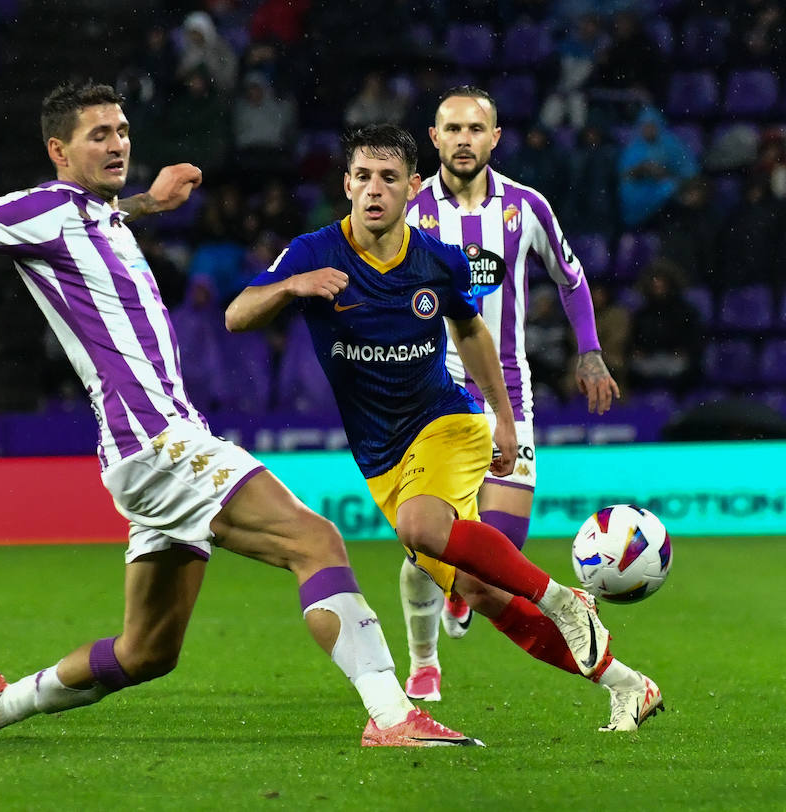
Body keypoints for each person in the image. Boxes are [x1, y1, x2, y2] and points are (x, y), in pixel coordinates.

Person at [0, 81, 476, 749]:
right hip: (160, 443)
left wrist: (151, 202)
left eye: (122, 131)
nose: (117, 144)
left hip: (151, 450)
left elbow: (96, 219)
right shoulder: (39, 210)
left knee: (147, 652)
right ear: (58, 150)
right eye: (98, 135)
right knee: (315, 539)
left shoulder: (99, 213)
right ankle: (391, 714)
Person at [226, 124, 644, 731]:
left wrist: (503, 420)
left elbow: (472, 332)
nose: (374, 190)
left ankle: (564, 599)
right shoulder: (314, 251)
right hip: (381, 458)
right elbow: (237, 315)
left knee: (423, 526)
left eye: (389, 178)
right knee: (483, 594)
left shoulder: (436, 259)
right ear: (346, 185)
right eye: (363, 177)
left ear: (411, 187)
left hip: (446, 423)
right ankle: (626, 684)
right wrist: (293, 286)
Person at [406, 88, 660, 731]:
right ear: (434, 138)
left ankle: (459, 610)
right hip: (430, 402)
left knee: (497, 560)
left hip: (507, 400)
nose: (464, 139)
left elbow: (571, 278)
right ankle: (427, 657)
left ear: (496, 137)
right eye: (452, 128)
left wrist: (592, 352)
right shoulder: (407, 209)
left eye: (476, 128)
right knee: (454, 562)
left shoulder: (527, 208)